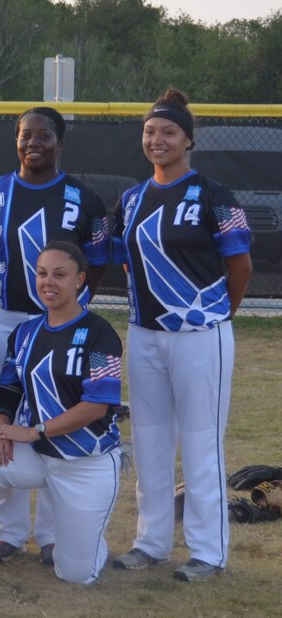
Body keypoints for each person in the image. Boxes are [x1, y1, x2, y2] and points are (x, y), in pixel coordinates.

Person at [110, 88, 252, 582]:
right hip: (144, 334)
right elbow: (126, 263)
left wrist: (214, 318)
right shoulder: (130, 199)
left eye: (168, 131)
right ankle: (150, 542)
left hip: (200, 335)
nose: (158, 140)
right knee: (149, 440)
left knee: (200, 442)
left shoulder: (215, 195)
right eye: (150, 131)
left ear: (189, 139)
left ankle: (208, 552)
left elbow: (241, 265)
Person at [0, 241, 123, 599]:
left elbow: (97, 406)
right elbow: (7, 392)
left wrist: (34, 430)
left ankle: (87, 545)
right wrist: (2, 426)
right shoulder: (24, 333)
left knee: (75, 574)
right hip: (36, 454)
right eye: (41, 273)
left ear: (80, 280)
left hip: (86, 460)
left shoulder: (101, 333)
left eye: (59, 274)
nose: (48, 281)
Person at [0, 106, 110, 565]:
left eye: (44, 135)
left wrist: (67, 307)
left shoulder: (84, 199)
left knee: (58, 416)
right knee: (2, 416)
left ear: (59, 142)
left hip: (62, 323)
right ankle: (7, 532)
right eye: (26, 135)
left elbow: (97, 263)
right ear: (16, 140)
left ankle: (51, 535)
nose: (34, 143)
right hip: (4, 316)